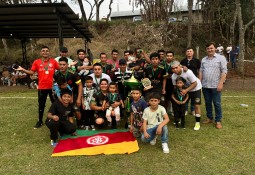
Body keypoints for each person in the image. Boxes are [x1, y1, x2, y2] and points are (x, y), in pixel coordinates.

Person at [16, 46, 59, 129]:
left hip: (52, 87)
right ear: (41, 53)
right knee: (41, 105)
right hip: (42, 87)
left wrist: (69, 65)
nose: (45, 52)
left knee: (55, 103)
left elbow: (60, 68)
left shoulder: (53, 61)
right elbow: (32, 72)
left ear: (49, 52)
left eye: (47, 51)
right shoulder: (37, 62)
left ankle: (55, 119)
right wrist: (23, 70)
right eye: (43, 51)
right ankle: (40, 121)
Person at [200, 42, 227, 129]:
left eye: (211, 48)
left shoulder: (221, 58)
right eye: (208, 48)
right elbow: (201, 71)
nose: (210, 50)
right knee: (207, 103)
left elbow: (224, 72)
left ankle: (218, 120)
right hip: (205, 86)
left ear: (215, 48)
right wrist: (200, 82)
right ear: (206, 50)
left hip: (216, 86)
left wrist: (221, 83)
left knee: (217, 103)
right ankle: (209, 118)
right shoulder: (203, 59)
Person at [171, 60, 202, 131]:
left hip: (195, 88)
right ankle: (178, 119)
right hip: (184, 90)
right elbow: (175, 87)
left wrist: (186, 90)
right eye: (173, 68)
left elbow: (195, 83)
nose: (175, 70)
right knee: (180, 104)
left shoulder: (188, 72)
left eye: (176, 67)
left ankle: (197, 123)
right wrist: (177, 95)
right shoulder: (173, 76)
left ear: (180, 66)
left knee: (196, 105)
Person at [180, 47, 201, 116]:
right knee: (186, 96)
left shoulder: (197, 61)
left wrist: (199, 79)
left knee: (193, 98)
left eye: (190, 51)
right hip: (185, 82)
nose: (189, 52)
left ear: (193, 52)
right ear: (186, 53)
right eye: (188, 51)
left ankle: (192, 110)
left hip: (194, 82)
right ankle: (185, 110)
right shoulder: (183, 61)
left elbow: (199, 71)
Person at [160, 51, 175, 115]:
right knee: (164, 99)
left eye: (170, 56)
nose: (169, 57)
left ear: (173, 57)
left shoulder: (175, 64)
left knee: (172, 98)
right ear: (166, 57)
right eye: (168, 56)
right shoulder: (162, 64)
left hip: (172, 84)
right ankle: (164, 113)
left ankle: (173, 112)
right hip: (163, 83)